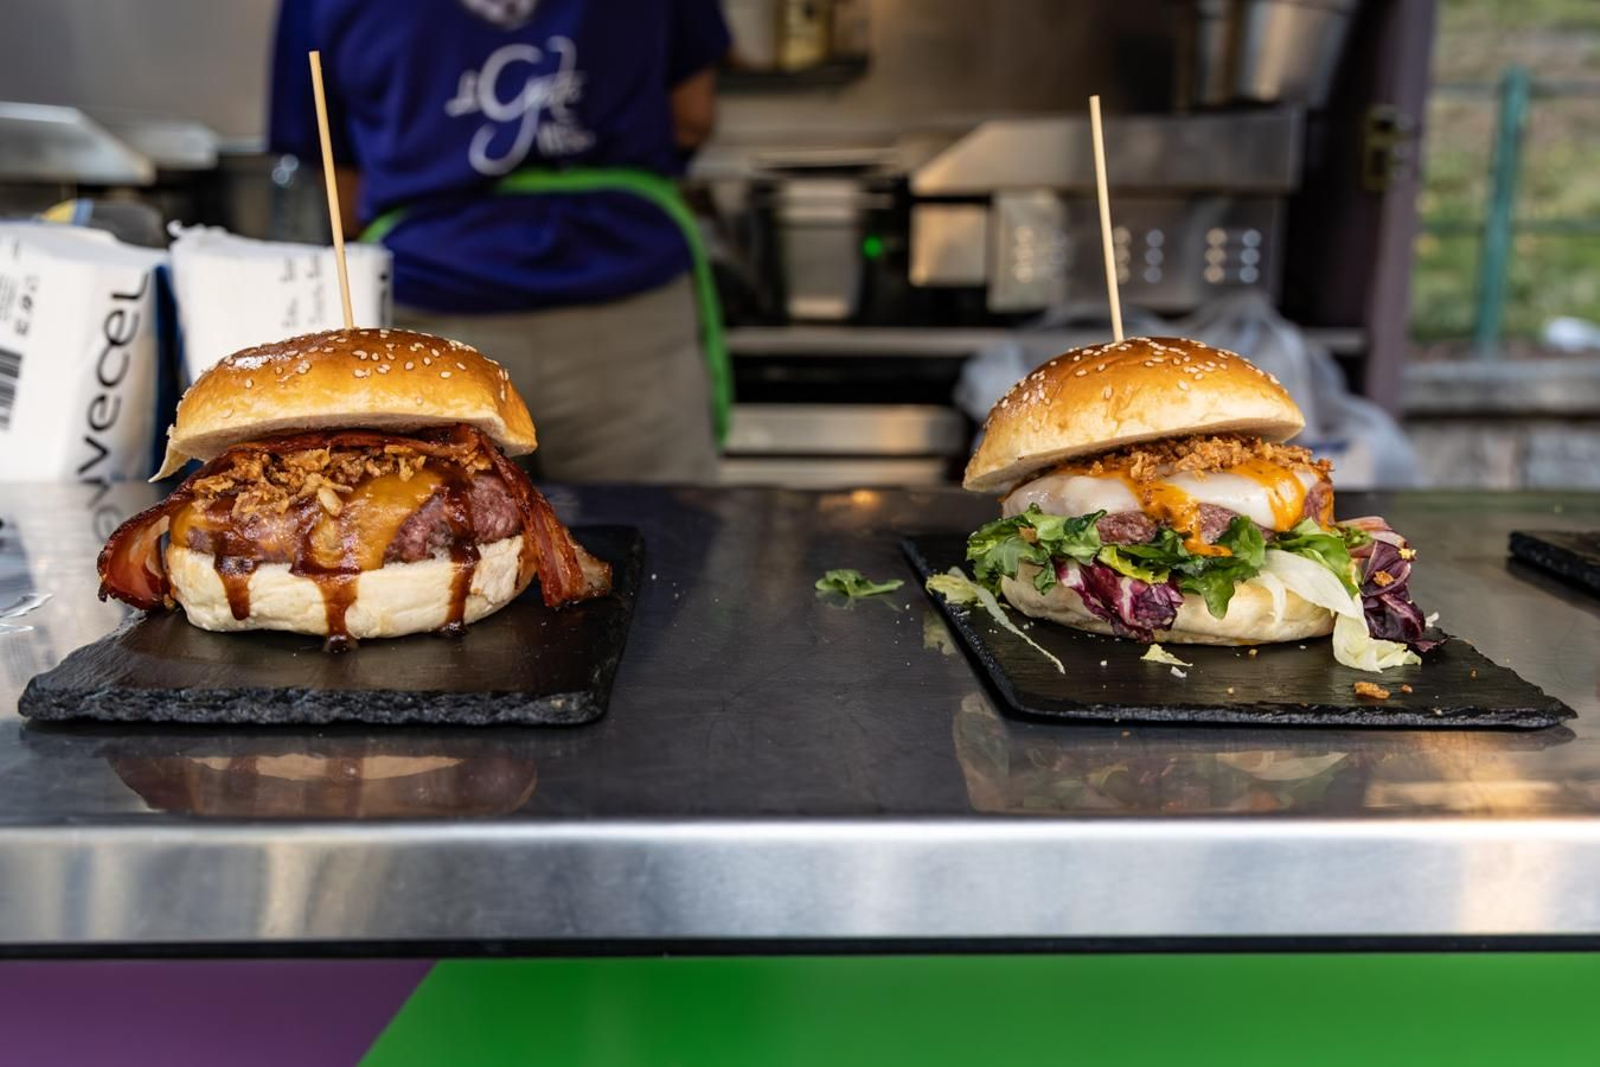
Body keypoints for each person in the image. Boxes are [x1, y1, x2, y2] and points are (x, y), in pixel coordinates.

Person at [268, 0, 731, 482]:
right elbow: (692, 115)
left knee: (432, 538)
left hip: (422, 334)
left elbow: (335, 182)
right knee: (661, 542)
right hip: (626, 312)